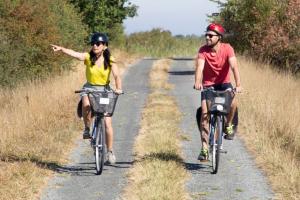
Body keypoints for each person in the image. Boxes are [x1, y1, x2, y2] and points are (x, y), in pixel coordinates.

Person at [51, 32, 123, 164]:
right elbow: (75, 54)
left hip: (104, 91)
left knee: (107, 122)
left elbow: (117, 76)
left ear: (105, 46)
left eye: (98, 43)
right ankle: (86, 128)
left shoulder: (110, 60)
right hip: (89, 89)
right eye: (93, 43)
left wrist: (118, 88)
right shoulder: (88, 57)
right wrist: (62, 49)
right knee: (86, 104)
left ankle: (110, 151)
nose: (95, 45)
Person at [194, 23, 242, 161]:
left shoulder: (228, 48)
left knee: (233, 103)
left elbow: (234, 66)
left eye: (210, 35)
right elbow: (200, 67)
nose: (207, 37)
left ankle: (228, 125)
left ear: (219, 37)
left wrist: (238, 84)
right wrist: (198, 81)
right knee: (204, 115)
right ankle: (204, 148)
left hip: (224, 84)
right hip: (208, 86)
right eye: (206, 35)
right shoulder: (203, 50)